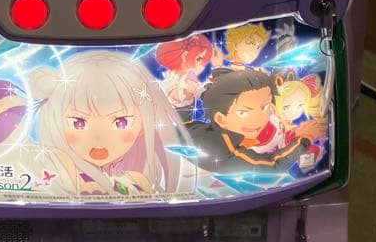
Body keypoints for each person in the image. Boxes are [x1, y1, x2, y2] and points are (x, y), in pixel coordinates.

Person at [29, 51, 196, 198]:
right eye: (78, 123)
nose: (99, 138)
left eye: (121, 122)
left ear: (144, 122)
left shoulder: (137, 180)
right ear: (55, 121)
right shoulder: (58, 170)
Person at [189, 68, 326, 171]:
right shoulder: (218, 148)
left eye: (264, 107)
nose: (259, 119)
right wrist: (305, 138)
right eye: (243, 112)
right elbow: (272, 166)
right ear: (220, 119)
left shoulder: (232, 135)